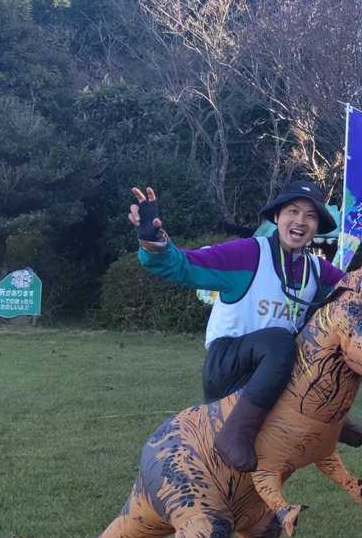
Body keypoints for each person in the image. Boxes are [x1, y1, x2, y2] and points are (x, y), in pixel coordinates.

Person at [127, 179, 345, 473]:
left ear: (317, 226)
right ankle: (233, 434)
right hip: (228, 367)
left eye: (310, 215)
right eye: (293, 211)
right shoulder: (247, 254)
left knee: (330, 336)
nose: (300, 221)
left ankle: (329, 417)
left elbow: (359, 293)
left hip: (277, 374)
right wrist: (153, 240)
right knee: (280, 341)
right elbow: (182, 265)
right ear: (277, 216)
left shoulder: (318, 271)